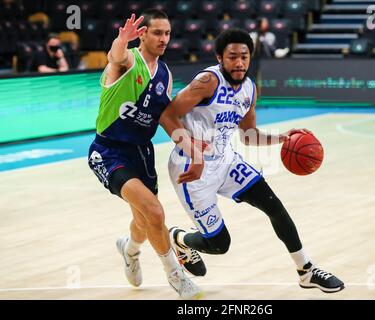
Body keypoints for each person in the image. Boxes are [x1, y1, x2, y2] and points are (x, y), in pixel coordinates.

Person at [159, 28, 345, 293]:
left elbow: (247, 136)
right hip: (191, 169)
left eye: (244, 57)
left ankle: (306, 270)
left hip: (226, 161)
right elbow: (167, 115)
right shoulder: (207, 82)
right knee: (219, 245)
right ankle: (179, 238)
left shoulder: (249, 89)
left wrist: (283, 137)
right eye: (232, 56)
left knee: (274, 205)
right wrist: (194, 152)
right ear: (219, 57)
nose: (239, 63)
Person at [87, 9, 203, 299]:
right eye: (157, 33)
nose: (164, 39)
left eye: (167, 33)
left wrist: (194, 151)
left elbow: (165, 119)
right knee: (155, 212)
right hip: (109, 151)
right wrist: (121, 41)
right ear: (143, 34)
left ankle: (129, 249)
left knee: (143, 221)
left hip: (141, 153)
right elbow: (116, 57)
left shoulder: (165, 73)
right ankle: (176, 276)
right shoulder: (128, 60)